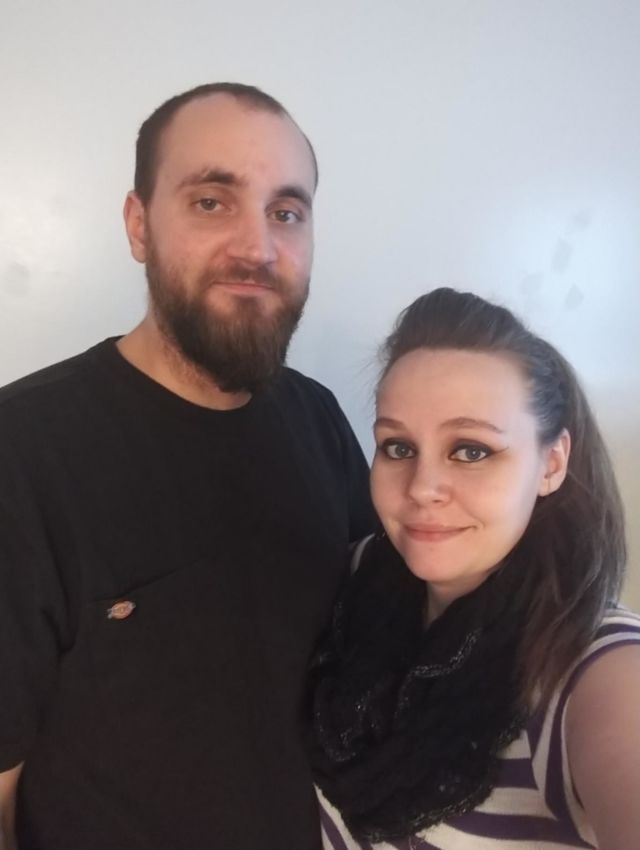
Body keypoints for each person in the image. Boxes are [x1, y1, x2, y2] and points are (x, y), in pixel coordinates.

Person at [0, 83, 374, 850]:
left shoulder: (319, 420)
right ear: (139, 225)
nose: (258, 248)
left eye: (286, 212)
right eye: (211, 202)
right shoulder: (22, 450)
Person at [306, 287, 640, 849]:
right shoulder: (358, 575)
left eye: (471, 450)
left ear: (551, 464)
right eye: (398, 447)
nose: (422, 488)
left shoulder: (596, 673)